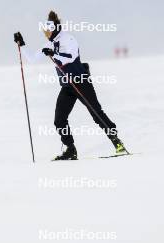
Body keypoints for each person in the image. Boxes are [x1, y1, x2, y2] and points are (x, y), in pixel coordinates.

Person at [14, 11, 127, 160]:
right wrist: (22, 44)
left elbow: (71, 57)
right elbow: (33, 59)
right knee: (59, 119)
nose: (45, 34)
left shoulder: (68, 39)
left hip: (81, 82)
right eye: (43, 31)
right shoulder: (49, 44)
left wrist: (53, 54)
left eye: (47, 31)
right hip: (67, 86)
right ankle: (70, 149)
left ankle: (117, 142)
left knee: (96, 113)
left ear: (53, 29)